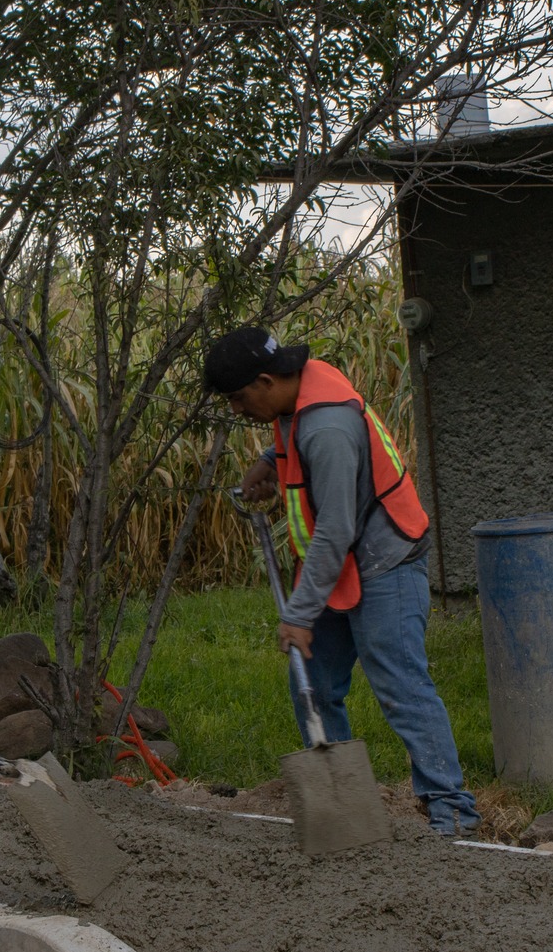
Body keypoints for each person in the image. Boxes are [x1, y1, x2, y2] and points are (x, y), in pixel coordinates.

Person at [205, 326, 479, 836]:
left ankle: (453, 811)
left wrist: (300, 613)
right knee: (313, 681)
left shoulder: (325, 430)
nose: (239, 411)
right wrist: (268, 462)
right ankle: (345, 806)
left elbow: (334, 529)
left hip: (383, 560)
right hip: (340, 559)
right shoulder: (296, 389)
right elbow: (292, 440)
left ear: (267, 380)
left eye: (240, 399)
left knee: (400, 685)